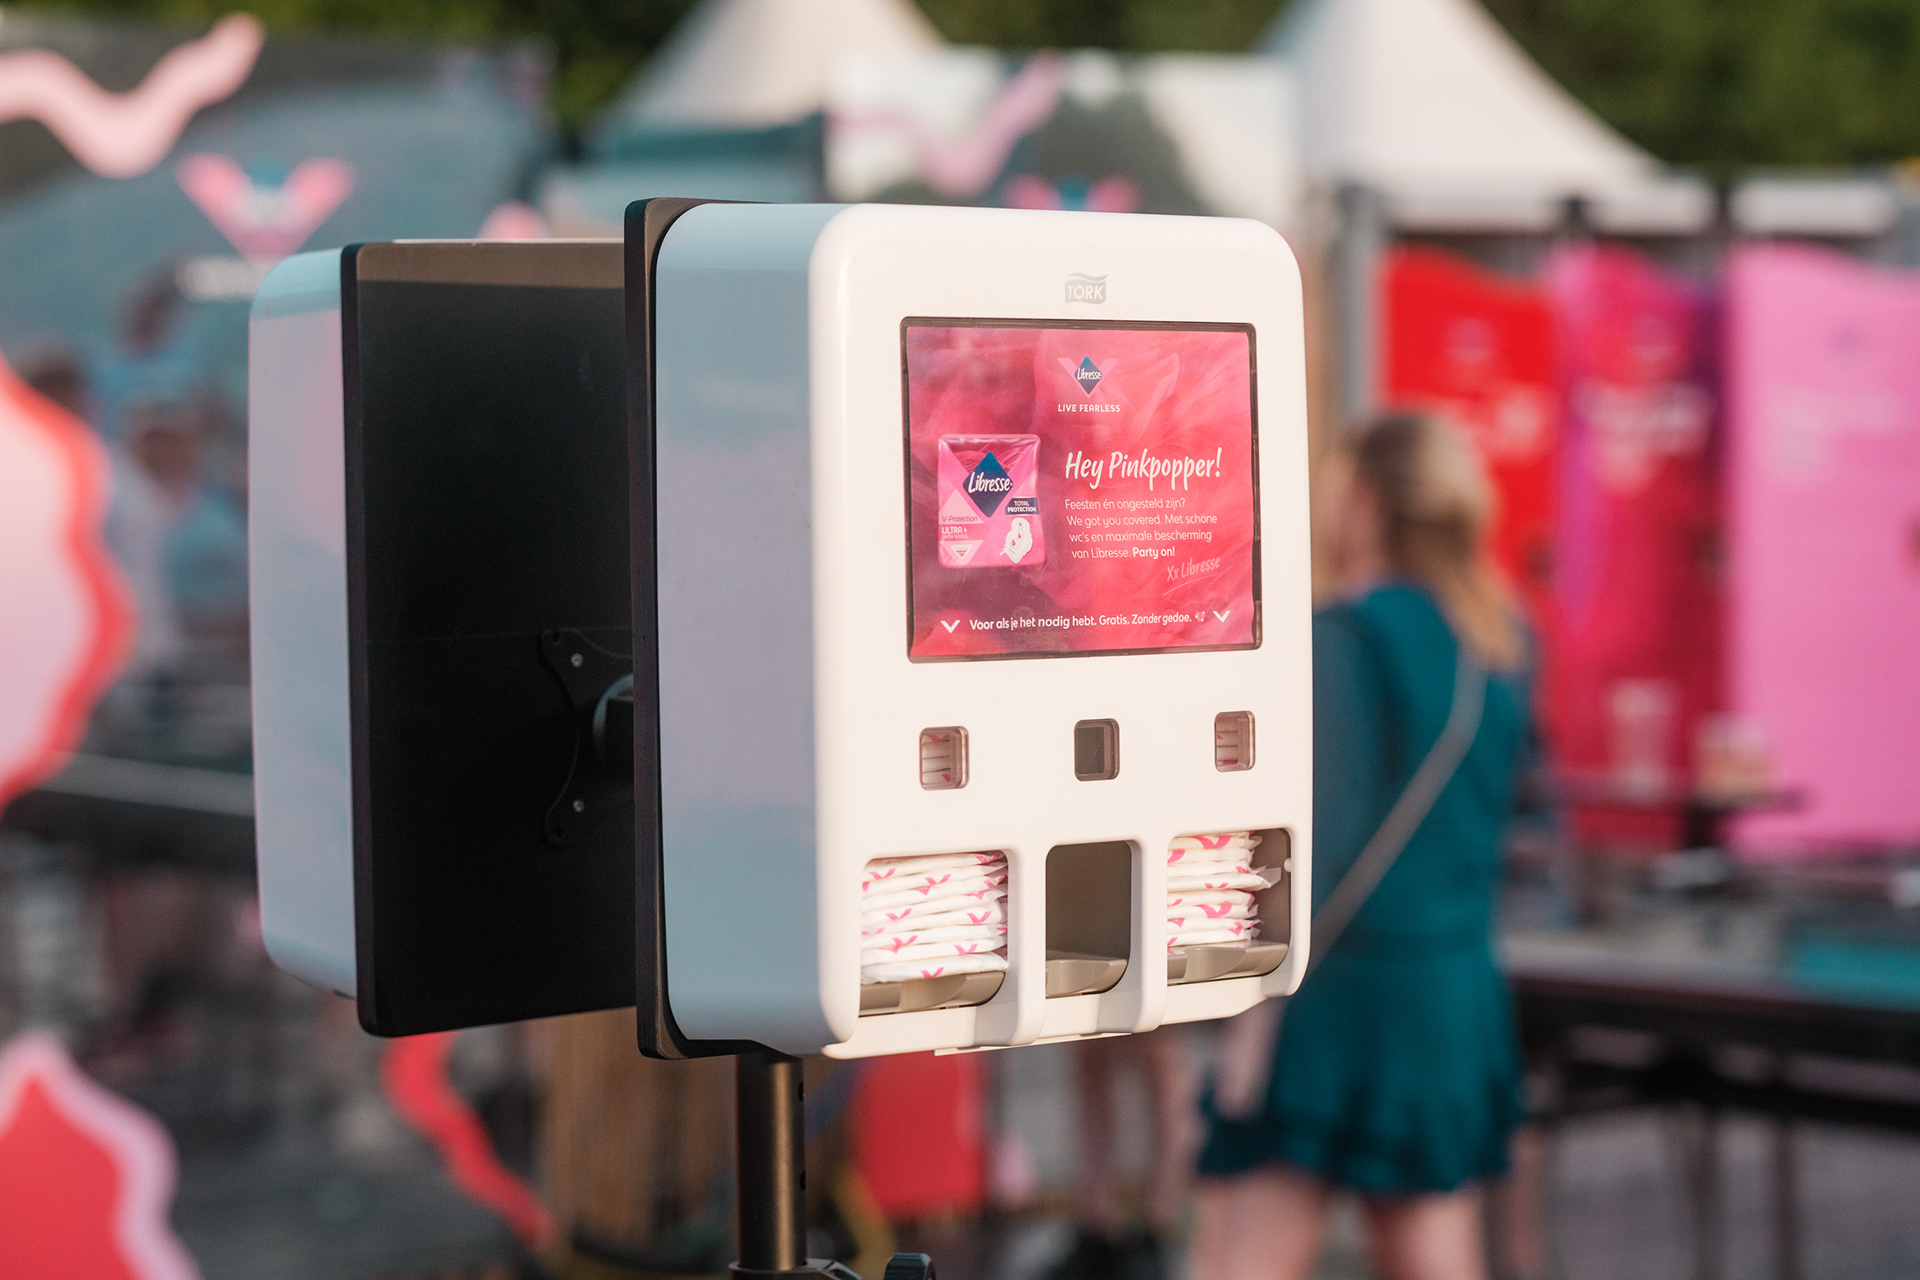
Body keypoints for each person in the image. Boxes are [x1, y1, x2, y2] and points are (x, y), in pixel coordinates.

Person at [1189, 414, 1534, 1280]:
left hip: (1338, 995)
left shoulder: (1346, 636)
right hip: (1450, 995)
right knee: (1436, 1259)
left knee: (1244, 1260)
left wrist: (1250, 1013)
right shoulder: (1500, 638)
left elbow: (1307, 843)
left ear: (1369, 502)